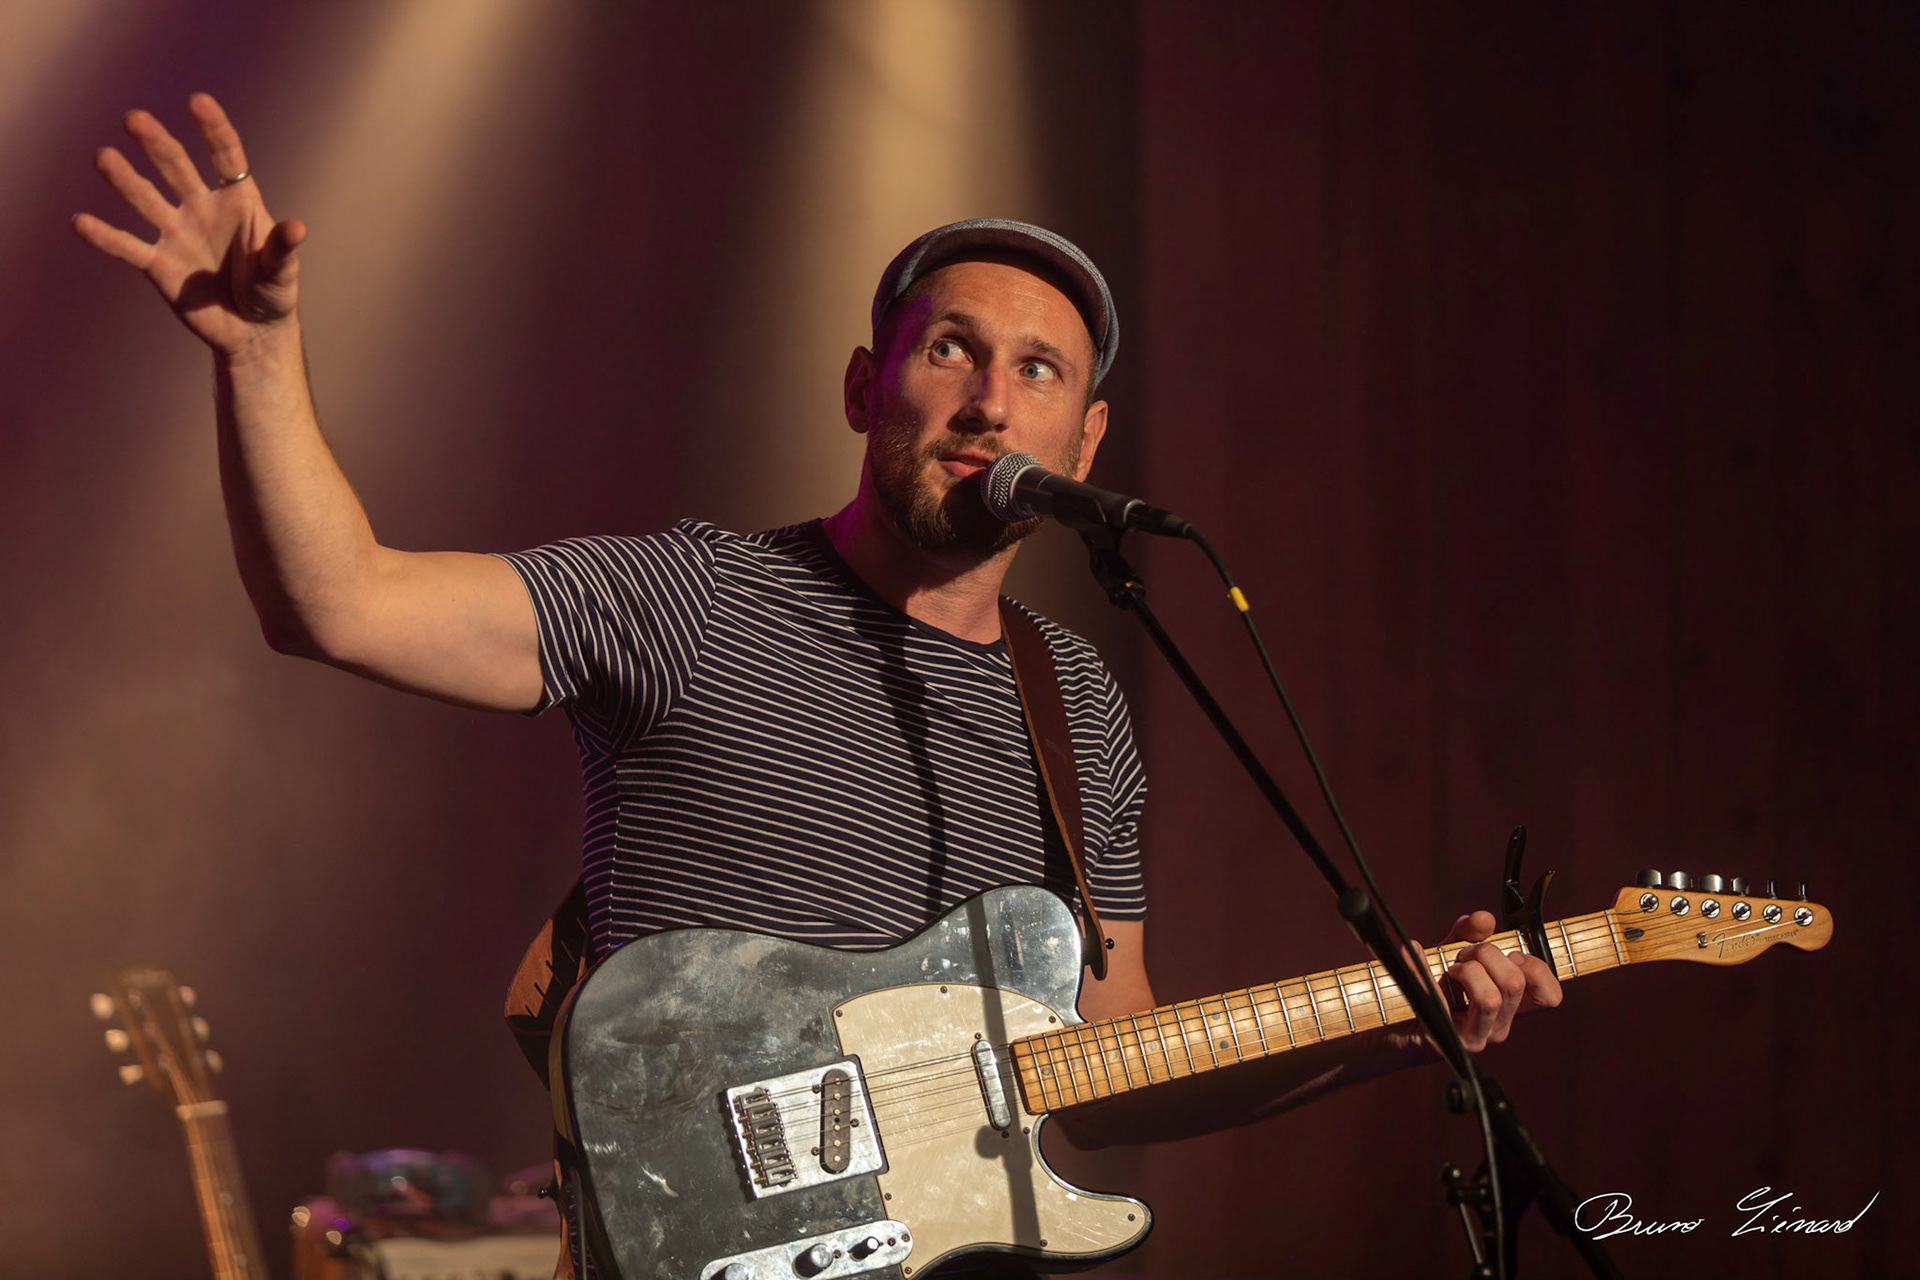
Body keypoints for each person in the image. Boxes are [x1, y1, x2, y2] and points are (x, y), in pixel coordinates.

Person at [76, 94, 1561, 1272]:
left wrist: (1399, 1023)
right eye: (953, 351)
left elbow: (1109, 1066)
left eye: (1039, 370)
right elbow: (338, 603)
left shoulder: (1075, 701)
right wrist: (260, 359)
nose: (990, 400)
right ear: (868, 386)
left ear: (1090, 440)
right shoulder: (688, 597)